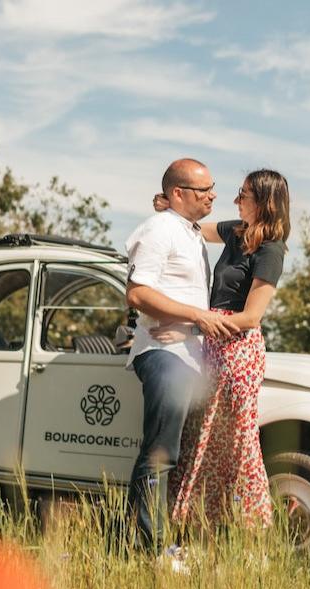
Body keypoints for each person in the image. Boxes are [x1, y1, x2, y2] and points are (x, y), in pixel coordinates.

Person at [151, 169, 290, 529]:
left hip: (238, 351)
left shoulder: (271, 250)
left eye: (242, 195)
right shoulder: (236, 232)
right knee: (202, 438)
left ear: (263, 201)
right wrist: (169, 206)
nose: (234, 200)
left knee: (238, 443)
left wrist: (192, 321)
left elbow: (250, 318)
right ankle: (197, 523)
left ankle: (251, 527)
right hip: (212, 346)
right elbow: (195, 227)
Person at [124, 158, 240, 551]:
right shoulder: (158, 231)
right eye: (204, 190)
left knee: (181, 456)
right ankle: (151, 549)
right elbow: (138, 293)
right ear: (178, 193)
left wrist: (192, 325)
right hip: (163, 354)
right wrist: (196, 317)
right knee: (161, 454)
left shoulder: (188, 231)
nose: (214, 195)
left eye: (213, 187)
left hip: (190, 354)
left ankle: (156, 539)